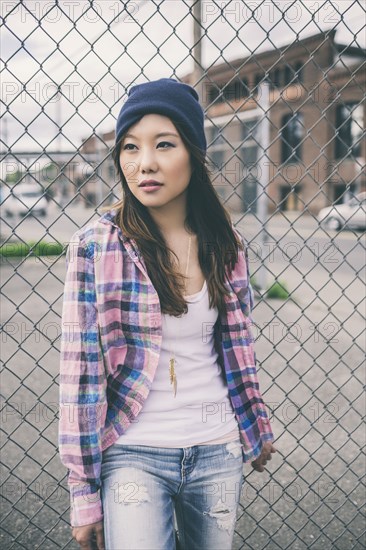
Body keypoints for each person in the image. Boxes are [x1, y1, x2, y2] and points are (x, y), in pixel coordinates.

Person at [58, 78, 277, 550]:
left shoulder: (226, 243)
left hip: (217, 446)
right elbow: (80, 377)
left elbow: (238, 350)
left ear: (193, 155)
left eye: (164, 144)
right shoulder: (95, 247)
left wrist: (254, 426)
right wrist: (84, 494)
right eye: (130, 148)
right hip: (134, 451)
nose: (145, 163)